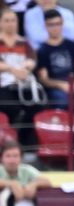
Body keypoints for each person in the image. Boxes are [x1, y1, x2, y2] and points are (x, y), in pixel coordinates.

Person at [0, 7, 41, 145]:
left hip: (22, 85)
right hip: (3, 86)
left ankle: (25, 144)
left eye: (13, 20)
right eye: (6, 20)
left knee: (36, 107)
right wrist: (12, 69)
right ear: (0, 22)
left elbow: (32, 60)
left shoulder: (24, 43)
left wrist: (24, 69)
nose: (10, 24)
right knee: (12, 107)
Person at [34, 9, 74, 110]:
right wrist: (61, 85)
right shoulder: (42, 50)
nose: (55, 28)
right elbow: (44, 79)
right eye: (51, 25)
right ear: (45, 26)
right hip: (56, 90)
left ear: (62, 23)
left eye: (58, 24)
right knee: (62, 100)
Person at [0, 139, 50, 206]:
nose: (12, 160)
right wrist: (11, 184)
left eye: (15, 156)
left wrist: (34, 184)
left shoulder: (26, 170)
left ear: (21, 158)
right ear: (1, 158)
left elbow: (47, 182)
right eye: (8, 156)